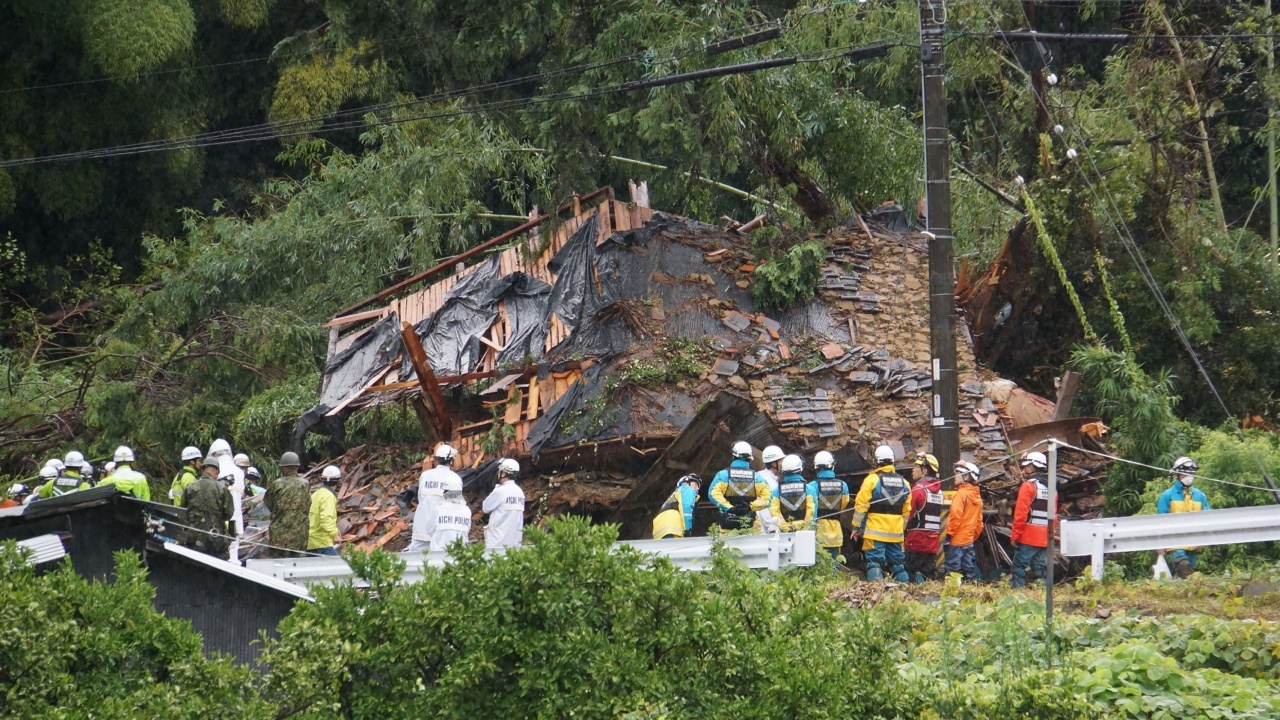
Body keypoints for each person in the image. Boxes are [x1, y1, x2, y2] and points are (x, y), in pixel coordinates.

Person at [851, 444, 912, 582]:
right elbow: (906, 511)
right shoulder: (905, 483)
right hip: (896, 533)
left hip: (874, 532)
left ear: (876, 461)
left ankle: (876, 590)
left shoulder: (872, 480)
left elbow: (861, 506)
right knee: (898, 564)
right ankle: (905, 590)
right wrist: (900, 529)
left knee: (874, 563)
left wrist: (856, 527)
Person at [1157, 456, 1211, 578]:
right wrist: (1159, 543)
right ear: (1177, 474)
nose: (1189, 476)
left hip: (1194, 541)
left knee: (1188, 575)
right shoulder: (1167, 496)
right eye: (1185, 473)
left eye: (1191, 473)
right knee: (1183, 566)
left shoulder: (1200, 496)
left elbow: (1208, 519)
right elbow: (1160, 521)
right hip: (1174, 541)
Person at [407, 444, 461, 552]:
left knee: (417, 557)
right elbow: (456, 503)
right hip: (442, 527)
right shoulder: (454, 478)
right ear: (451, 461)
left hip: (421, 525)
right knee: (439, 558)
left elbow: (421, 498)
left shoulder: (425, 475)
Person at [1011, 451, 1053, 588]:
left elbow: (1021, 514)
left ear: (1032, 467)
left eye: (1025, 467)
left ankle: (1017, 594)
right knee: (1040, 569)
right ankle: (1042, 593)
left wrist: (1015, 535)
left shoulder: (1028, 486)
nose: (1024, 470)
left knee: (1019, 567)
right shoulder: (1052, 487)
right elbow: (1054, 515)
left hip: (1028, 536)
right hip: (1045, 536)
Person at [708, 441, 772, 531]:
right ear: (750, 458)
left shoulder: (722, 475)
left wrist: (730, 508)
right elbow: (769, 498)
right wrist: (750, 507)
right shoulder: (757, 478)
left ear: (733, 456)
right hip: (750, 526)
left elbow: (712, 494)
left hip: (727, 526)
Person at [183, 456, 235, 559]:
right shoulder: (222, 489)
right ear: (217, 471)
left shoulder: (190, 487)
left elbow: (183, 510)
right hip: (215, 535)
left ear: (202, 470)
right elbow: (229, 513)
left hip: (193, 535)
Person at [905, 452, 944, 582]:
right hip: (932, 542)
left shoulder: (918, 489)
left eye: (917, 466)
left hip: (915, 541)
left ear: (925, 470)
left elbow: (908, 514)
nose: (913, 469)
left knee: (909, 572)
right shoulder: (940, 492)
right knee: (929, 575)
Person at [264, 451, 311, 558]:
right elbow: (308, 504)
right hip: (300, 535)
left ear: (284, 468)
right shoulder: (305, 485)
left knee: (277, 564)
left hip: (279, 535)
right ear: (297, 467)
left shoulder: (277, 484)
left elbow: (268, 503)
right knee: (297, 564)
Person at [944, 461, 984, 581]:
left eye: (958, 474)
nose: (955, 476)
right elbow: (979, 523)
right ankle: (970, 588)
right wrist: (971, 537)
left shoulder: (961, 494)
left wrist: (949, 535)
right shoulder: (977, 497)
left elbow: (955, 516)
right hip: (968, 540)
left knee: (952, 569)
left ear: (966, 477)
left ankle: (952, 590)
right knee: (968, 568)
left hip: (957, 540)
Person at [808, 451, 849, 562]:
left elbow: (809, 508)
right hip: (836, 531)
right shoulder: (843, 485)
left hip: (817, 531)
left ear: (816, 467)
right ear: (832, 466)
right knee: (834, 563)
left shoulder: (812, 486)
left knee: (817, 564)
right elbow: (844, 504)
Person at [482, 459, 525, 551]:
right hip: (514, 545)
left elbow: (485, 507)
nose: (498, 473)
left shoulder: (501, 491)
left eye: (499, 471)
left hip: (497, 544)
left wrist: (495, 490)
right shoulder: (519, 492)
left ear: (504, 473)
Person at [770, 454, 814, 533]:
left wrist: (787, 529)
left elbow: (775, 513)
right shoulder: (809, 489)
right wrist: (804, 529)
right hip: (806, 533)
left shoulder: (776, 492)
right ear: (800, 469)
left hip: (786, 535)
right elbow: (811, 512)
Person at [307, 465, 342, 557]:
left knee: (309, 565)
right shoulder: (329, 496)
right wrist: (335, 534)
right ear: (338, 481)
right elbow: (326, 519)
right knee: (336, 565)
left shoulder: (316, 494)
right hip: (322, 541)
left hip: (311, 540)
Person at [429, 475, 472, 549]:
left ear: (445, 492)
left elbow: (429, 530)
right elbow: (467, 531)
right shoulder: (466, 510)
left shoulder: (438, 509)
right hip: (460, 553)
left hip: (438, 553)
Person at [652, 474, 701, 539]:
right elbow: (686, 509)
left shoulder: (676, 494)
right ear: (686, 483)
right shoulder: (687, 489)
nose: (697, 488)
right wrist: (687, 529)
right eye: (695, 484)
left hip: (660, 530)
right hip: (672, 527)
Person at [755, 445, 785, 534]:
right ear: (773, 464)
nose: (783, 463)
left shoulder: (766, 477)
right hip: (767, 531)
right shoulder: (768, 482)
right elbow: (764, 507)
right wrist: (772, 528)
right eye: (781, 460)